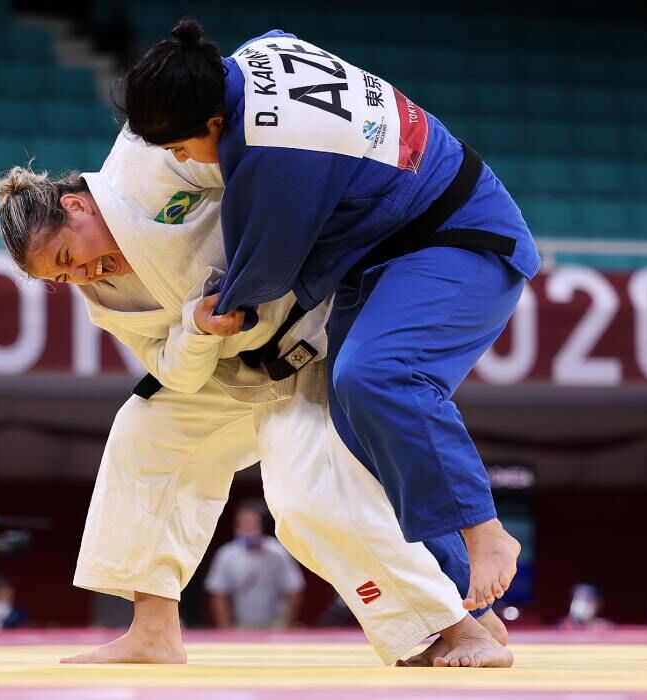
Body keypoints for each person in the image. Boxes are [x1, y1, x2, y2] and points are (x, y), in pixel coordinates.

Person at [0, 130, 511, 667]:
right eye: (62, 278)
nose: (81, 276)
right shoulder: (103, 295)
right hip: (228, 369)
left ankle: (456, 627)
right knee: (142, 434)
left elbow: (260, 166)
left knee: (303, 498)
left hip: (308, 342)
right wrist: (195, 329)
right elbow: (170, 369)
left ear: (75, 206)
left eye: (68, 256)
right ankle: (153, 632)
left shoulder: (147, 166)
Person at [120, 19, 538, 614]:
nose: (183, 161)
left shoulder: (269, 150)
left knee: (375, 376)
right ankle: (462, 605)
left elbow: (256, 281)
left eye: (181, 148)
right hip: (387, 252)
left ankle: (484, 531)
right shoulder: (255, 55)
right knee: (354, 428)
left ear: (215, 121)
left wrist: (201, 318)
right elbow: (283, 37)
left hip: (460, 239)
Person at [205, 500, 304, 629]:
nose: (247, 528)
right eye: (243, 523)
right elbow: (218, 594)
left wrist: (286, 626)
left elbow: (294, 590)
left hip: (275, 625)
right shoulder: (226, 555)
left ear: (262, 525)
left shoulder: (278, 553)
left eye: (252, 523)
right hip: (241, 625)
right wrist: (226, 629)